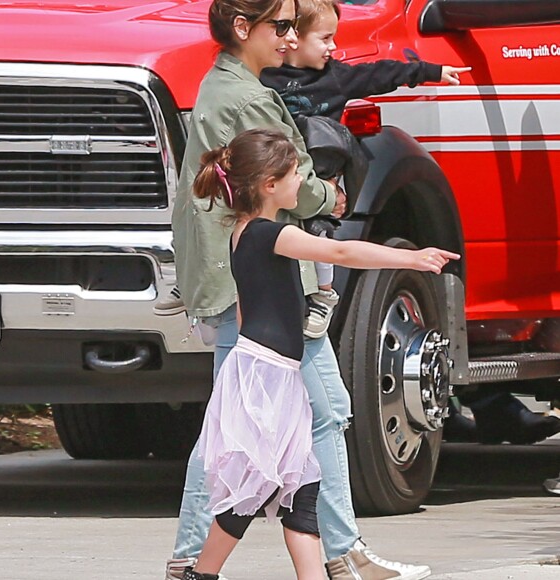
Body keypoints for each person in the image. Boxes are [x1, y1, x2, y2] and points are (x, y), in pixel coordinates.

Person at [168, 1, 435, 579]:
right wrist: (327, 198)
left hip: (240, 286)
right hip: (248, 296)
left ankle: (323, 556)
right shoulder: (242, 99)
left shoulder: (233, 87)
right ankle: (217, 561)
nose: (292, 40)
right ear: (244, 29)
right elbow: (291, 189)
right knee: (274, 430)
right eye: (280, 27)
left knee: (272, 428)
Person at [184, 128, 459, 580]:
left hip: (276, 374)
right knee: (252, 489)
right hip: (265, 376)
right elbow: (339, 249)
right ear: (270, 185)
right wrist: (411, 258)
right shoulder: (267, 234)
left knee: (302, 491)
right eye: (295, 174)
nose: (302, 183)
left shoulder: (246, 232)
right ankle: (201, 574)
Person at [260, 0, 471, 337]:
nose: (334, 47)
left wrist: (431, 72)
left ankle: (322, 295)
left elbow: (380, 74)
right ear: (293, 38)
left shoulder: (336, 78)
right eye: (325, 39)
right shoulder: (263, 78)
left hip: (316, 178)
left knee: (320, 234)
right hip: (271, 178)